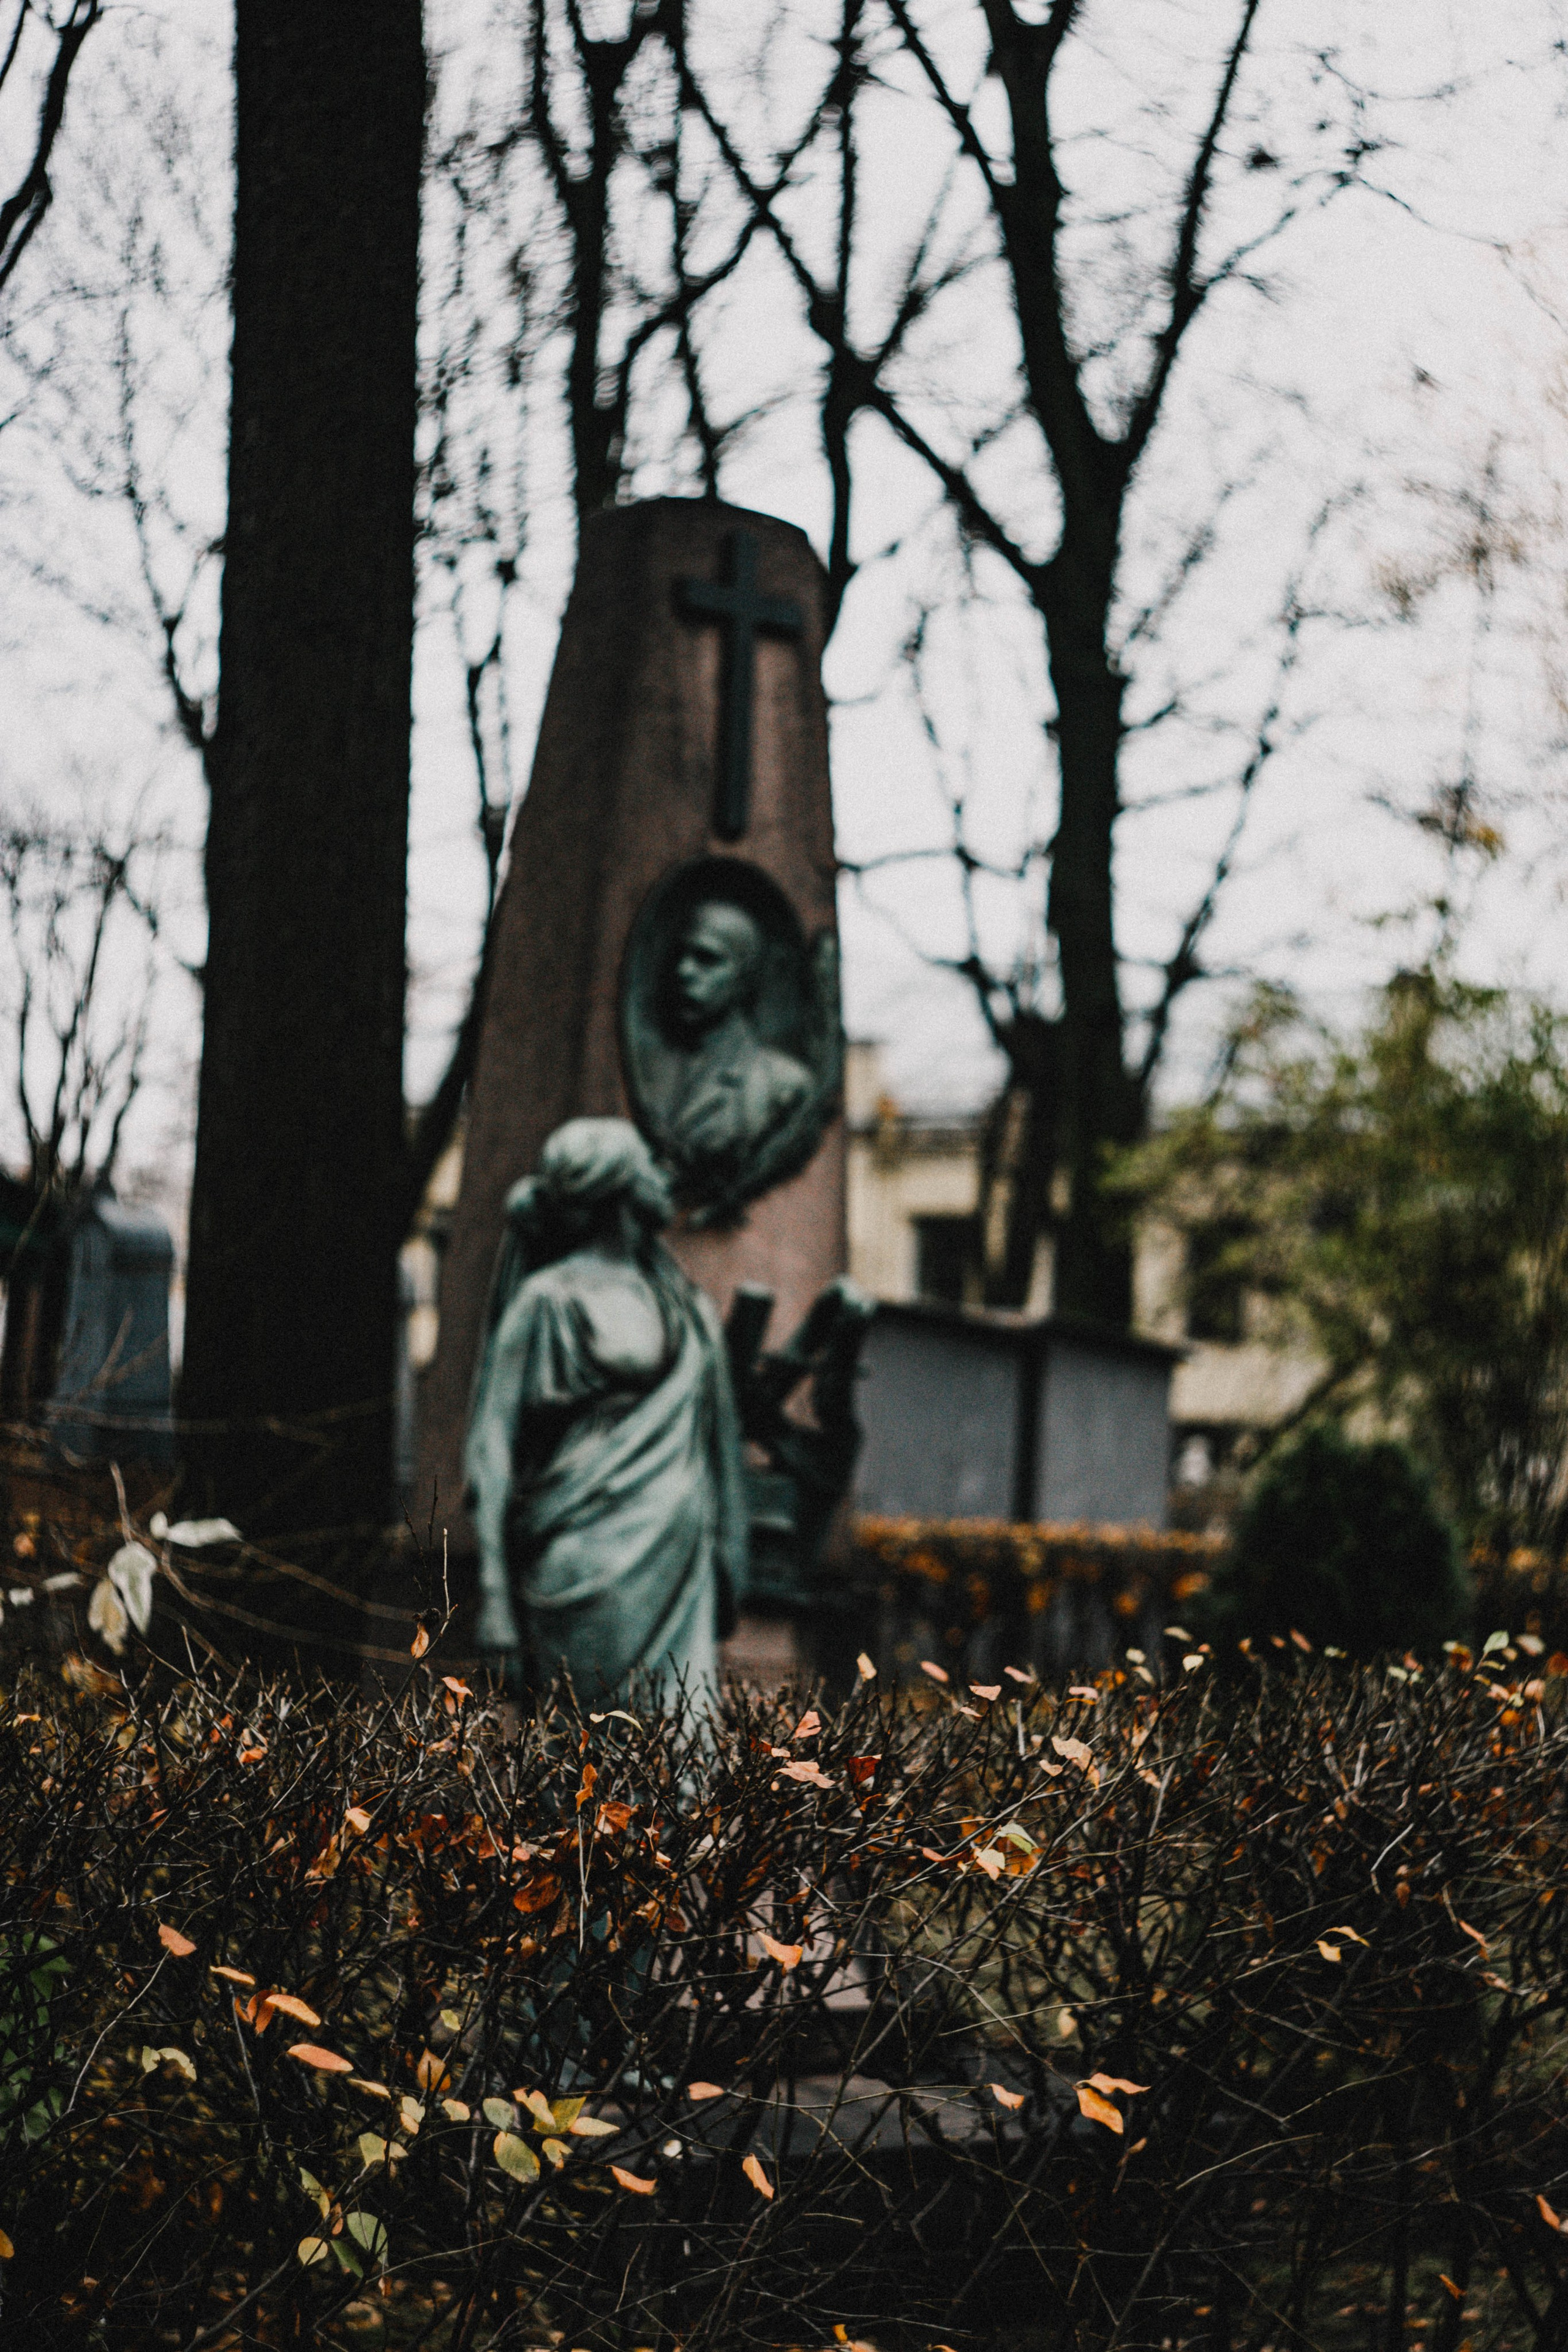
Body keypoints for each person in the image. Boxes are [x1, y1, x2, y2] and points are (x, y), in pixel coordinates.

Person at [464, 1117, 748, 1698]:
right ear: (616, 1185)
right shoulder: (549, 1300)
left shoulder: (682, 1303)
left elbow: (721, 1443)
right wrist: (494, 1597)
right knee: (591, 1768)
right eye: (645, 1161)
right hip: (587, 1566)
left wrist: (730, 1554)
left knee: (688, 1761)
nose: (659, 1174)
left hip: (680, 1566)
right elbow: (490, 1447)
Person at [658, 900, 810, 1183]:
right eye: (683, 955)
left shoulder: (781, 1084)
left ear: (744, 979)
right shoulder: (658, 1067)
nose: (684, 971)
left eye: (707, 958)